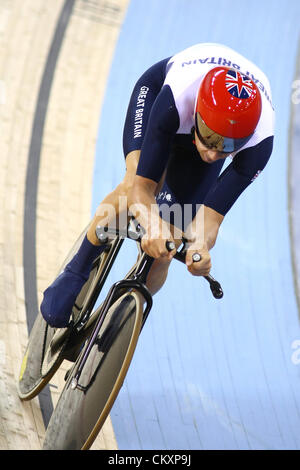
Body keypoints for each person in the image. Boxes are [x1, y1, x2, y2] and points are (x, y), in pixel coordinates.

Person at [41, 42, 275, 328]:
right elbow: (141, 189)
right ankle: (77, 269)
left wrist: (199, 248)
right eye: (211, 140)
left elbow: (210, 220)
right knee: (134, 185)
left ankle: (123, 321)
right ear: (199, 114)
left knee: (173, 235)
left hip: (201, 126)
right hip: (159, 101)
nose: (214, 154)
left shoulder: (258, 146)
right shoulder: (176, 99)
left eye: (228, 147)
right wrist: (151, 224)